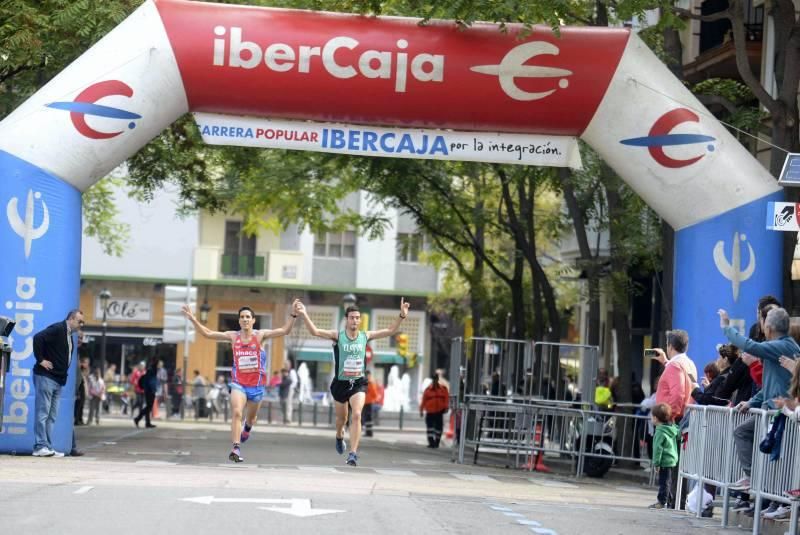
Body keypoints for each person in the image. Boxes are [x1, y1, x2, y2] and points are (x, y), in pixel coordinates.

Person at [296, 297, 410, 467]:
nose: (355, 320)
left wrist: (401, 316)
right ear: (346, 319)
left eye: (357, 318)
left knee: (357, 414)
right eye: (352, 317)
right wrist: (304, 314)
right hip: (340, 384)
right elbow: (315, 331)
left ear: (360, 320)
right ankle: (339, 435)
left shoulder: (365, 336)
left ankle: (353, 454)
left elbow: (389, 330)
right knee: (341, 420)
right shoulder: (338, 336)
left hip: (358, 383)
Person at [183, 300, 299, 463]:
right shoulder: (233, 336)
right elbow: (208, 333)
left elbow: (285, 330)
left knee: (251, 418)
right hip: (239, 384)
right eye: (242, 317)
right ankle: (235, 447)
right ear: (239, 321)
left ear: (253, 320)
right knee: (237, 412)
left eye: (248, 317)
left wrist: (293, 314)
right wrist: (192, 319)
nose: (245, 319)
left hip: (257, 386)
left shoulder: (260, 336)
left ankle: (248, 428)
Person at [718, 306, 799, 494]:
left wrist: (726, 327)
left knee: (778, 457)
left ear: (768, 327)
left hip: (781, 412)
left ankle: (760, 485)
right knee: (748, 436)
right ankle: (755, 480)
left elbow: (750, 346)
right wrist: (752, 402)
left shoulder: (781, 346)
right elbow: (770, 384)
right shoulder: (782, 346)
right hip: (772, 409)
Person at [32, 309, 84, 457]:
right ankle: (39, 446)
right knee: (43, 413)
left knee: (51, 415)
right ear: (71, 319)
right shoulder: (58, 328)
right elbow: (37, 338)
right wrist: (40, 360)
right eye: (79, 321)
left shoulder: (68, 335)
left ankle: (47, 446)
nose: (81, 325)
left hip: (57, 380)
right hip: (46, 377)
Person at [649, 403, 679, 509]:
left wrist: (656, 463)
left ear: (656, 419)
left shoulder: (660, 432)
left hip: (664, 460)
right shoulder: (672, 429)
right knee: (668, 481)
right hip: (672, 459)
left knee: (664, 482)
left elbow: (658, 449)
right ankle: (669, 500)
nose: (651, 419)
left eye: (652, 417)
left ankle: (662, 502)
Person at [420, 373, 450, 448]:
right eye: (434, 379)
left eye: (436, 379)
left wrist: (446, 407)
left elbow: (446, 399)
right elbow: (423, 401)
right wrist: (421, 410)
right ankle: (431, 442)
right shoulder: (427, 390)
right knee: (430, 428)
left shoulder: (443, 389)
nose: (435, 380)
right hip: (430, 411)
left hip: (439, 411)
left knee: (438, 428)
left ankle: (437, 442)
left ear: (437, 379)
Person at [134, 357, 158, 428]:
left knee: (148, 406)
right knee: (148, 406)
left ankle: (147, 422)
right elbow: (151, 381)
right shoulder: (152, 370)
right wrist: (153, 389)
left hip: (149, 390)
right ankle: (138, 418)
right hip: (150, 391)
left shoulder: (151, 369)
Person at [74, 356, 90, 425]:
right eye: (86, 362)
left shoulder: (85, 370)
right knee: (78, 405)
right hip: (79, 389)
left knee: (82, 405)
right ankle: (77, 419)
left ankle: (80, 419)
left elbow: (86, 377)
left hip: (83, 388)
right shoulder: (79, 368)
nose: (87, 364)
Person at [363, 370, 379, 437]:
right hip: (366, 402)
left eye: (367, 375)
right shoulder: (366, 383)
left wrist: (371, 399)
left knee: (369, 418)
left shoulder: (371, 383)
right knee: (367, 418)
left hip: (369, 403)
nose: (366, 376)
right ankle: (368, 432)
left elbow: (375, 394)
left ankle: (369, 433)